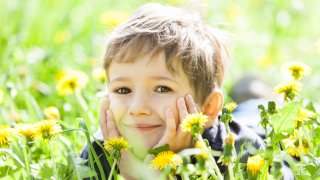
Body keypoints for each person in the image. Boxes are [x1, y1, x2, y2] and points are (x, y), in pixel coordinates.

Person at [81, 3, 293, 179]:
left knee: (256, 108)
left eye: (162, 88)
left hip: (254, 124)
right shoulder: (99, 156)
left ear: (208, 109)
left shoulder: (240, 152)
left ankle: (253, 92)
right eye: (123, 89)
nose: (137, 108)